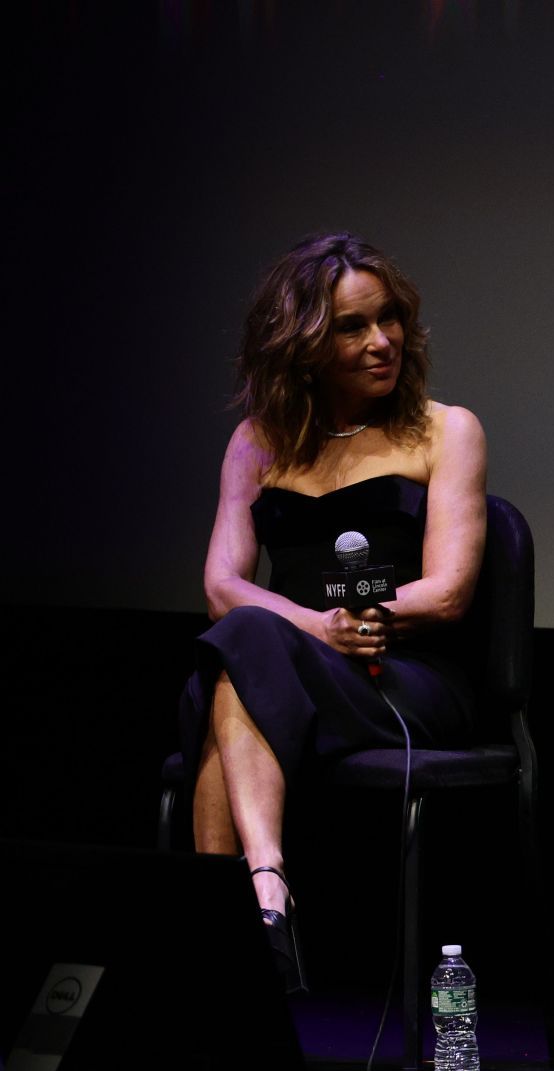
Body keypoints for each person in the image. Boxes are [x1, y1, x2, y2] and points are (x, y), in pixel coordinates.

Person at [182, 233, 487, 992]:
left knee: (232, 668)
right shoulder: (259, 443)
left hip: (404, 681)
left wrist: (359, 621)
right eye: (353, 327)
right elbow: (222, 583)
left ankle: (229, 941)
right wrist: (315, 630)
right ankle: (264, 901)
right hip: (297, 664)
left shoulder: (445, 431)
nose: (382, 341)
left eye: (388, 319)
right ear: (305, 344)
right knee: (239, 649)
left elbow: (447, 589)